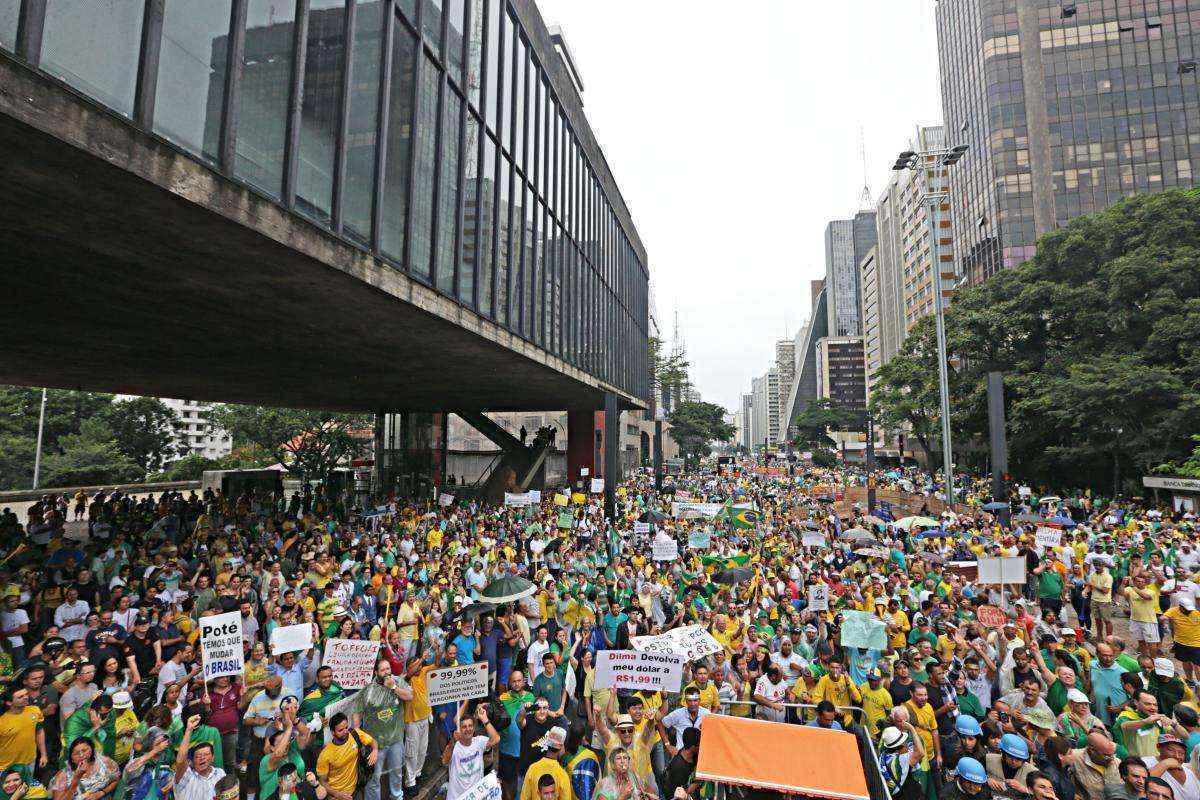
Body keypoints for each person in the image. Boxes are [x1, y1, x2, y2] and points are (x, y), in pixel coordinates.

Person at [353, 658, 413, 800]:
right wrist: (358, 733)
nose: (386, 672)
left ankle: (397, 796)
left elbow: (410, 696)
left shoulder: (397, 681)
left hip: (395, 739)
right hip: (375, 743)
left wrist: (393, 688)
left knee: (397, 772)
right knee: (373, 777)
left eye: (388, 669)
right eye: (383, 670)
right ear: (376, 672)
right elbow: (357, 711)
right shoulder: (368, 688)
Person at [444, 705, 500, 800]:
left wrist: (485, 720)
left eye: (470, 726)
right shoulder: (454, 746)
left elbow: (496, 739)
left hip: (476, 795)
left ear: (474, 729)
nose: (468, 729)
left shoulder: (479, 741)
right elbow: (445, 761)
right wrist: (453, 741)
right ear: (460, 730)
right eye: (464, 727)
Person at [316, 713, 377, 800]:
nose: (345, 731)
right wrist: (336, 794)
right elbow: (322, 781)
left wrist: (375, 750)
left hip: (356, 790)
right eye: (340, 730)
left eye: (346, 727)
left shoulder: (354, 733)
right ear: (333, 732)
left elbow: (373, 741)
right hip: (337, 797)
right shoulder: (325, 754)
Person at [171, 715, 224, 800]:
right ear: (192, 760)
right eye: (198, 756)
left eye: (206, 754)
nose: (202, 757)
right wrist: (189, 730)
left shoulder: (219, 774)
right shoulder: (186, 775)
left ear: (213, 758)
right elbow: (180, 761)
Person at [519, 725, 569, 800]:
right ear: (561, 747)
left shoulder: (533, 768)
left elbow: (524, 798)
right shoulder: (562, 775)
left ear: (547, 743)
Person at [878, 723, 925, 800]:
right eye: (904, 742)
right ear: (901, 745)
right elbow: (920, 753)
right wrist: (912, 729)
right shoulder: (901, 760)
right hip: (908, 795)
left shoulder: (884, 755)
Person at [660, 727, 699, 800]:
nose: (701, 747)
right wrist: (698, 782)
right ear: (693, 747)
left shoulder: (688, 752)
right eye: (699, 744)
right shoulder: (679, 767)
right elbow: (682, 793)